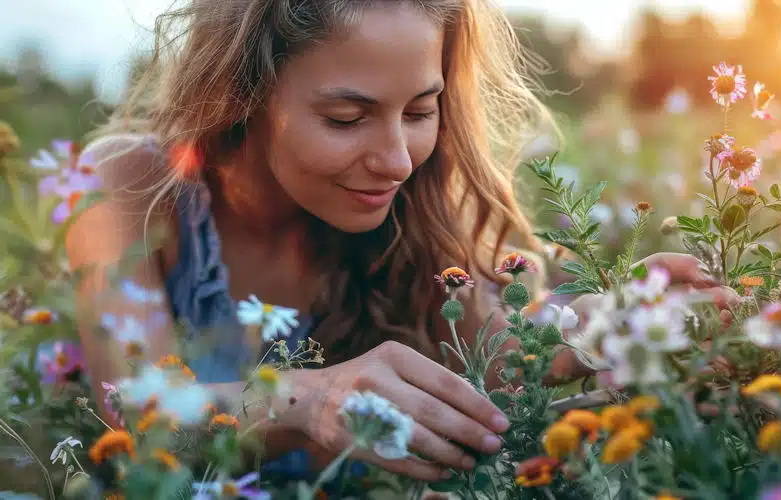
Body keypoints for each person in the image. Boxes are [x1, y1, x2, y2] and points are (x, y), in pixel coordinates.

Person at [67, 0, 736, 485]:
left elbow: (499, 359)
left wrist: (604, 325)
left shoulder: (413, 207)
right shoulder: (128, 187)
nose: (396, 158)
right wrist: (309, 398)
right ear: (244, 96)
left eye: (420, 111)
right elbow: (138, 418)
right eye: (347, 118)